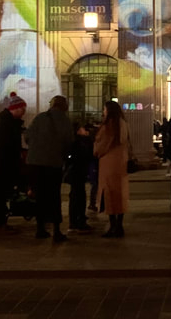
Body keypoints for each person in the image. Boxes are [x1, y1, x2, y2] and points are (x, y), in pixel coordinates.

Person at [26, 95, 73, 242]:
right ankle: (56, 231)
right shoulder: (65, 121)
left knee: (39, 195)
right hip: (53, 163)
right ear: (64, 106)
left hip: (35, 162)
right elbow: (69, 142)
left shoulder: (40, 118)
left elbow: (27, 137)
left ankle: (40, 228)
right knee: (54, 196)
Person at [0, 92, 27, 233]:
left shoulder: (6, 122)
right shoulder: (7, 124)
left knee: (1, 195)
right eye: (22, 109)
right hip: (3, 166)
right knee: (0, 195)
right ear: (15, 108)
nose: (24, 113)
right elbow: (7, 147)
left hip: (3, 165)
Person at [93, 101, 130, 238]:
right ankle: (119, 225)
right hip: (121, 162)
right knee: (120, 194)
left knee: (109, 194)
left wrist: (95, 149)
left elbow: (101, 145)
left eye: (104, 109)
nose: (103, 112)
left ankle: (113, 226)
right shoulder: (123, 123)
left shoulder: (109, 126)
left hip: (109, 162)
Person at [66, 121, 95, 234]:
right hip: (78, 172)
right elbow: (87, 154)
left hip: (77, 173)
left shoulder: (75, 141)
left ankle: (77, 220)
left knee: (77, 196)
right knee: (78, 197)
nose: (85, 131)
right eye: (83, 129)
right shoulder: (80, 142)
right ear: (78, 130)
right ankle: (77, 221)